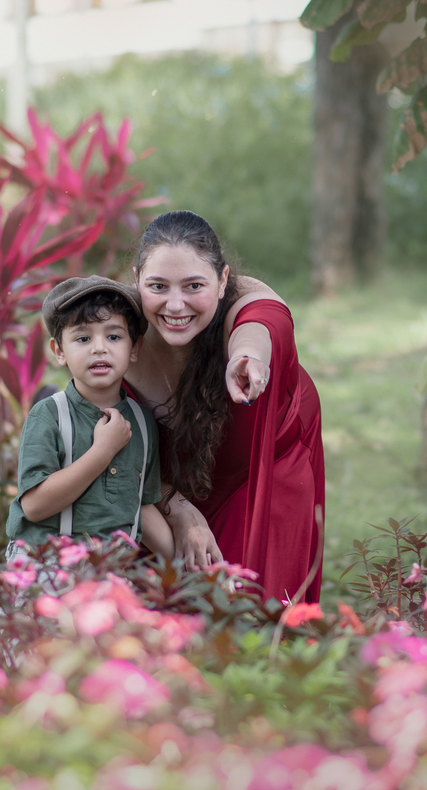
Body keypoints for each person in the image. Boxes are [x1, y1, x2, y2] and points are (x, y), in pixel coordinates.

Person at [124, 211, 324, 603]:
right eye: (158, 286)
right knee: (161, 619)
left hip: (262, 472)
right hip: (162, 492)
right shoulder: (117, 333)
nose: (175, 304)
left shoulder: (248, 300)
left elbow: (262, 326)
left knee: (250, 612)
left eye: (194, 285)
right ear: (137, 281)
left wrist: (245, 358)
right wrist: (174, 506)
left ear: (223, 281)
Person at [6, 276, 174, 559]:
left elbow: (142, 505)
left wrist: (183, 568)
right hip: (45, 570)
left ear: (134, 348)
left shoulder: (143, 423)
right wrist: (103, 451)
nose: (99, 348)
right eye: (83, 338)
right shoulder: (48, 416)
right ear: (59, 351)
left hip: (111, 572)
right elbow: (34, 506)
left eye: (113, 336)